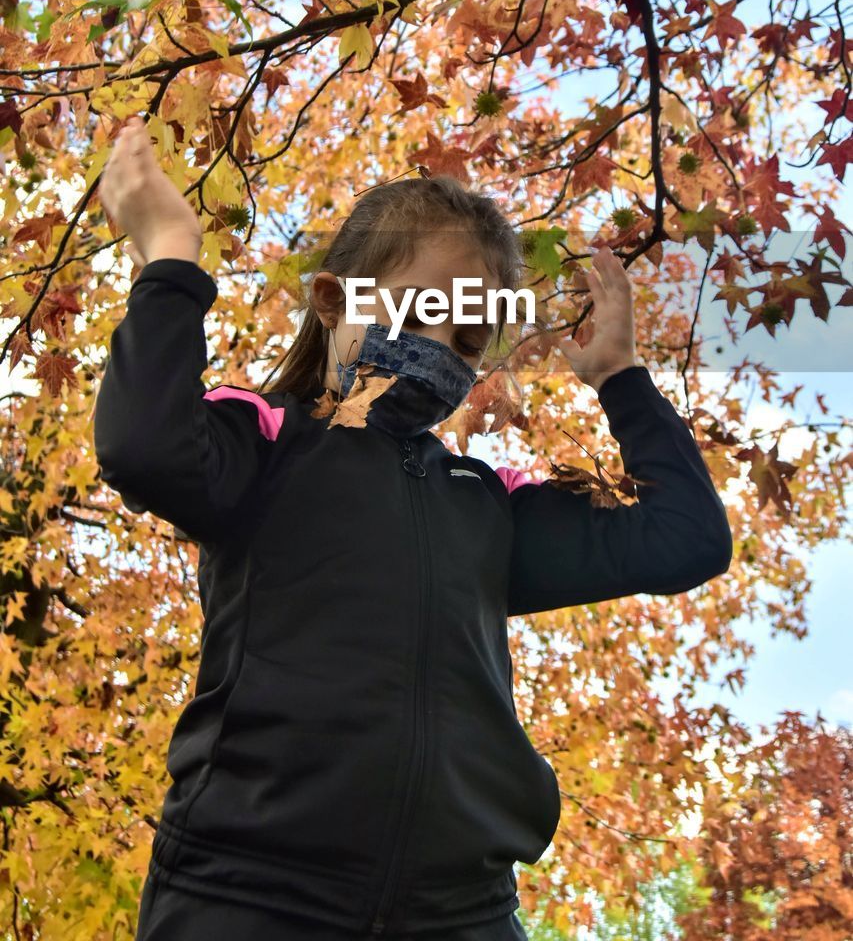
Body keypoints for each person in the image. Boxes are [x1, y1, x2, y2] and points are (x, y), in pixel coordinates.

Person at [94, 116, 733, 940]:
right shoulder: (265, 440)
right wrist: (171, 255)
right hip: (250, 898)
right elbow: (142, 446)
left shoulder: (487, 501)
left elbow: (686, 538)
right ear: (333, 301)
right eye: (422, 311)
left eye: (467, 338)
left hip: (462, 915)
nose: (439, 349)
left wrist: (621, 379)